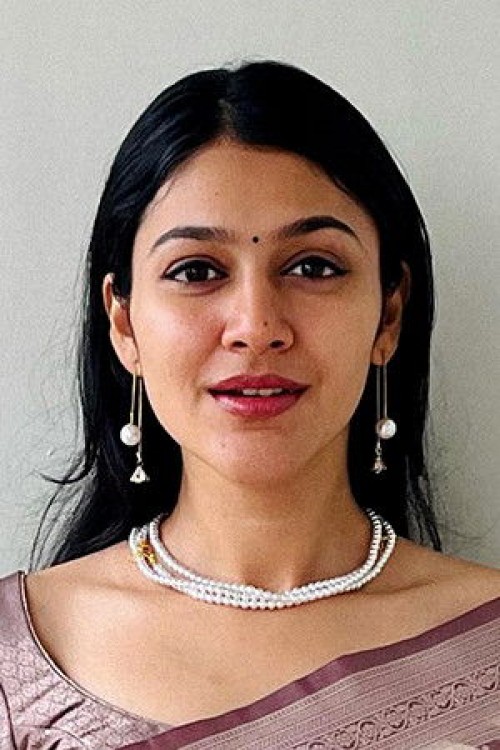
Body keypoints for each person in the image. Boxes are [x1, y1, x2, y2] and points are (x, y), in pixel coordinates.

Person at [0, 60, 499, 749]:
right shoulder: (20, 665)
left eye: (313, 267)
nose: (256, 326)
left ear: (389, 315)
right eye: (197, 271)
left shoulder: (485, 646)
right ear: (124, 324)